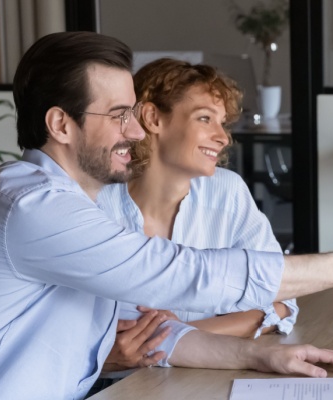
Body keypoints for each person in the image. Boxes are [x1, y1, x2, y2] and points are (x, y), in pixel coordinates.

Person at [0, 31, 333, 400]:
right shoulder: (33, 206)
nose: (134, 130)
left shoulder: (85, 203)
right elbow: (179, 274)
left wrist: (262, 358)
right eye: (119, 115)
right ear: (61, 124)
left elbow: (146, 330)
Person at [95, 58, 298, 373]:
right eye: (205, 118)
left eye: (223, 123)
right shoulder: (94, 206)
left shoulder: (227, 192)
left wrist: (186, 334)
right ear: (152, 118)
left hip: (205, 379)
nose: (223, 137)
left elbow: (283, 303)